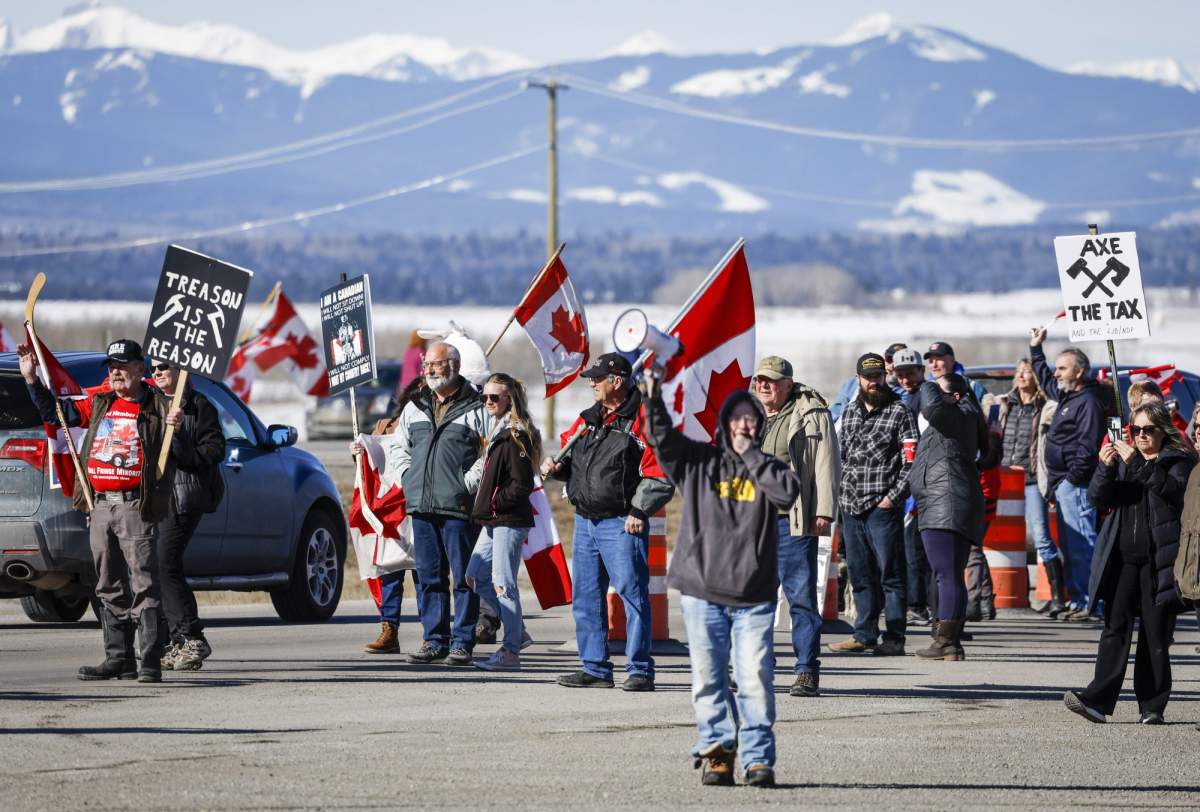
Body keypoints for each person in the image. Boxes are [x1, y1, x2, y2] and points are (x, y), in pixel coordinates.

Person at [643, 370, 801, 788]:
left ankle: (757, 760)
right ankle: (717, 754)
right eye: (736, 418)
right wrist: (653, 393)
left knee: (754, 681)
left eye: (751, 419)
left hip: (753, 596)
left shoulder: (769, 468)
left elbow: (787, 494)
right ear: (722, 424)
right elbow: (660, 438)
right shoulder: (698, 462)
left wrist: (751, 455)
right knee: (709, 680)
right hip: (702, 592)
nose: (744, 425)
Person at [20, 339, 181, 682]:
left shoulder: (159, 404)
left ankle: (150, 660)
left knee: (144, 580)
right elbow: (57, 415)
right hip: (101, 504)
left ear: (140, 368)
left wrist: (180, 422)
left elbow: (186, 433)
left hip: (136, 505)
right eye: (111, 366)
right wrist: (32, 379)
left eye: (123, 366)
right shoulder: (99, 402)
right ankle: (118, 659)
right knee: (107, 582)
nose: (116, 372)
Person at [541, 353, 674, 691]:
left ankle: (640, 670)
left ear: (617, 382)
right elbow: (571, 460)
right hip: (586, 521)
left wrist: (639, 511)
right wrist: (557, 468)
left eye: (597, 378)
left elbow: (660, 475)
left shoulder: (644, 419)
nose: (591, 383)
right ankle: (595, 668)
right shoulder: (589, 419)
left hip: (622, 522)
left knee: (633, 594)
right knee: (586, 597)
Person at [1064, 403, 1196, 724]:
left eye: (1148, 430)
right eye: (1135, 430)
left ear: (1163, 430)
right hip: (1122, 559)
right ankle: (1096, 700)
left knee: (1155, 634)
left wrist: (1135, 462)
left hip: (1159, 560)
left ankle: (1152, 706)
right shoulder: (1126, 460)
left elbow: (1170, 490)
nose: (1140, 436)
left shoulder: (1179, 461)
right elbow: (1100, 498)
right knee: (1114, 629)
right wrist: (1105, 468)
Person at [388, 341, 491, 665]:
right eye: (426, 364)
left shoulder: (477, 406)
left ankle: (462, 641)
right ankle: (434, 640)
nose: (428, 370)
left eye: (435, 364)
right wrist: (408, 477)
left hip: (458, 507)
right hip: (421, 505)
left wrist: (467, 483)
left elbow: (489, 451)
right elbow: (398, 447)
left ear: (454, 366)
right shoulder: (414, 405)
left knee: (463, 578)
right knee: (429, 577)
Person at [751, 356, 838, 698]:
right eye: (759, 380)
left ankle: (806, 671)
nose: (763, 386)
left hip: (793, 520)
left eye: (770, 381)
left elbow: (826, 464)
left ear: (788, 384)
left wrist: (825, 511)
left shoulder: (811, 413)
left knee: (800, 599)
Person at [832, 353, 918, 656]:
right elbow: (840, 456)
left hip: (882, 507)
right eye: (868, 377)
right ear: (858, 379)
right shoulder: (851, 412)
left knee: (891, 575)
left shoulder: (900, 412)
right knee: (859, 574)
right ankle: (864, 634)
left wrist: (892, 497)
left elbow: (912, 461)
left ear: (885, 377)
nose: (874, 382)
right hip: (851, 506)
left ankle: (894, 638)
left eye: (879, 376)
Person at [151, 362, 225, 672]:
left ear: (183, 372)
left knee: (165, 562)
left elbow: (214, 450)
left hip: (183, 495)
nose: (156, 373)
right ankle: (172, 641)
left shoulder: (199, 405)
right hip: (152, 495)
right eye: (152, 369)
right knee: (155, 566)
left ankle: (191, 637)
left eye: (163, 367)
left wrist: (179, 437)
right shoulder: (151, 402)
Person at [1029, 327, 1107, 620]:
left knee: (1082, 546)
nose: (1057, 373)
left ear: (1080, 372)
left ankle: (1091, 603)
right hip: (1063, 485)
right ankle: (1078, 601)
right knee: (1070, 546)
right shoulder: (1066, 398)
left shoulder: (1087, 402)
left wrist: (1070, 481)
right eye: (1057, 367)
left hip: (1076, 486)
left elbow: (1088, 448)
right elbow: (1045, 379)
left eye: (1063, 368)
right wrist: (1036, 349)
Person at [910, 375, 988, 660]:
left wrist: (928, 382)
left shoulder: (955, 414)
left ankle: (947, 642)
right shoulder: (961, 416)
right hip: (947, 501)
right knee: (948, 574)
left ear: (954, 396)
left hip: (947, 503)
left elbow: (931, 407)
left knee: (947, 574)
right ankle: (947, 641)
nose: (929, 395)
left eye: (938, 391)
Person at [467, 373, 539, 672]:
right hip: (492, 520)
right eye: (484, 397)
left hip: (508, 519)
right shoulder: (497, 429)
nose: (487, 402)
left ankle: (510, 651)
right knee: (474, 576)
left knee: (503, 584)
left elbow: (522, 485)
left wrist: (496, 502)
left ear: (509, 398)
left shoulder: (516, 434)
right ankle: (517, 630)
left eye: (493, 397)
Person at [355, 376, 426, 655]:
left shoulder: (432, 424)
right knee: (390, 571)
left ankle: (431, 634)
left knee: (425, 574)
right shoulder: (386, 425)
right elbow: (373, 464)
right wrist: (359, 453)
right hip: (390, 509)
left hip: (420, 503)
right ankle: (389, 629)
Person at [998, 359, 1064, 616]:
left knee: (1041, 536)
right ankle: (996, 594)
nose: (1022, 375)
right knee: (996, 540)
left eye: (1028, 371)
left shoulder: (1046, 407)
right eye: (1019, 371)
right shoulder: (1004, 404)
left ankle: (1057, 596)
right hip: (1004, 477)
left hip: (1032, 479)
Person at [893, 347, 933, 624]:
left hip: (920, 483)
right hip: (908, 481)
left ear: (922, 370)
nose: (906, 379)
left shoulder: (927, 397)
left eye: (911, 373)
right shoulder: (906, 398)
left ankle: (919, 605)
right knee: (910, 548)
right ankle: (917, 602)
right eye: (901, 375)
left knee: (916, 550)